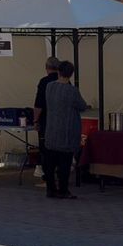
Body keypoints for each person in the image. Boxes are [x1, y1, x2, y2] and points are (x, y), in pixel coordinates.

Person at [40, 60, 90, 200]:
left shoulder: (49, 87)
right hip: (66, 132)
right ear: (71, 74)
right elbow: (82, 106)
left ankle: (51, 189)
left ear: (58, 71)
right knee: (64, 164)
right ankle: (63, 190)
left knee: (50, 163)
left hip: (51, 130)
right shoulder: (72, 91)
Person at [33, 56, 61, 132]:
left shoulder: (44, 82)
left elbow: (39, 103)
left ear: (46, 67)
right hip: (63, 121)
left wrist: (35, 121)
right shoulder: (65, 82)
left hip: (46, 120)